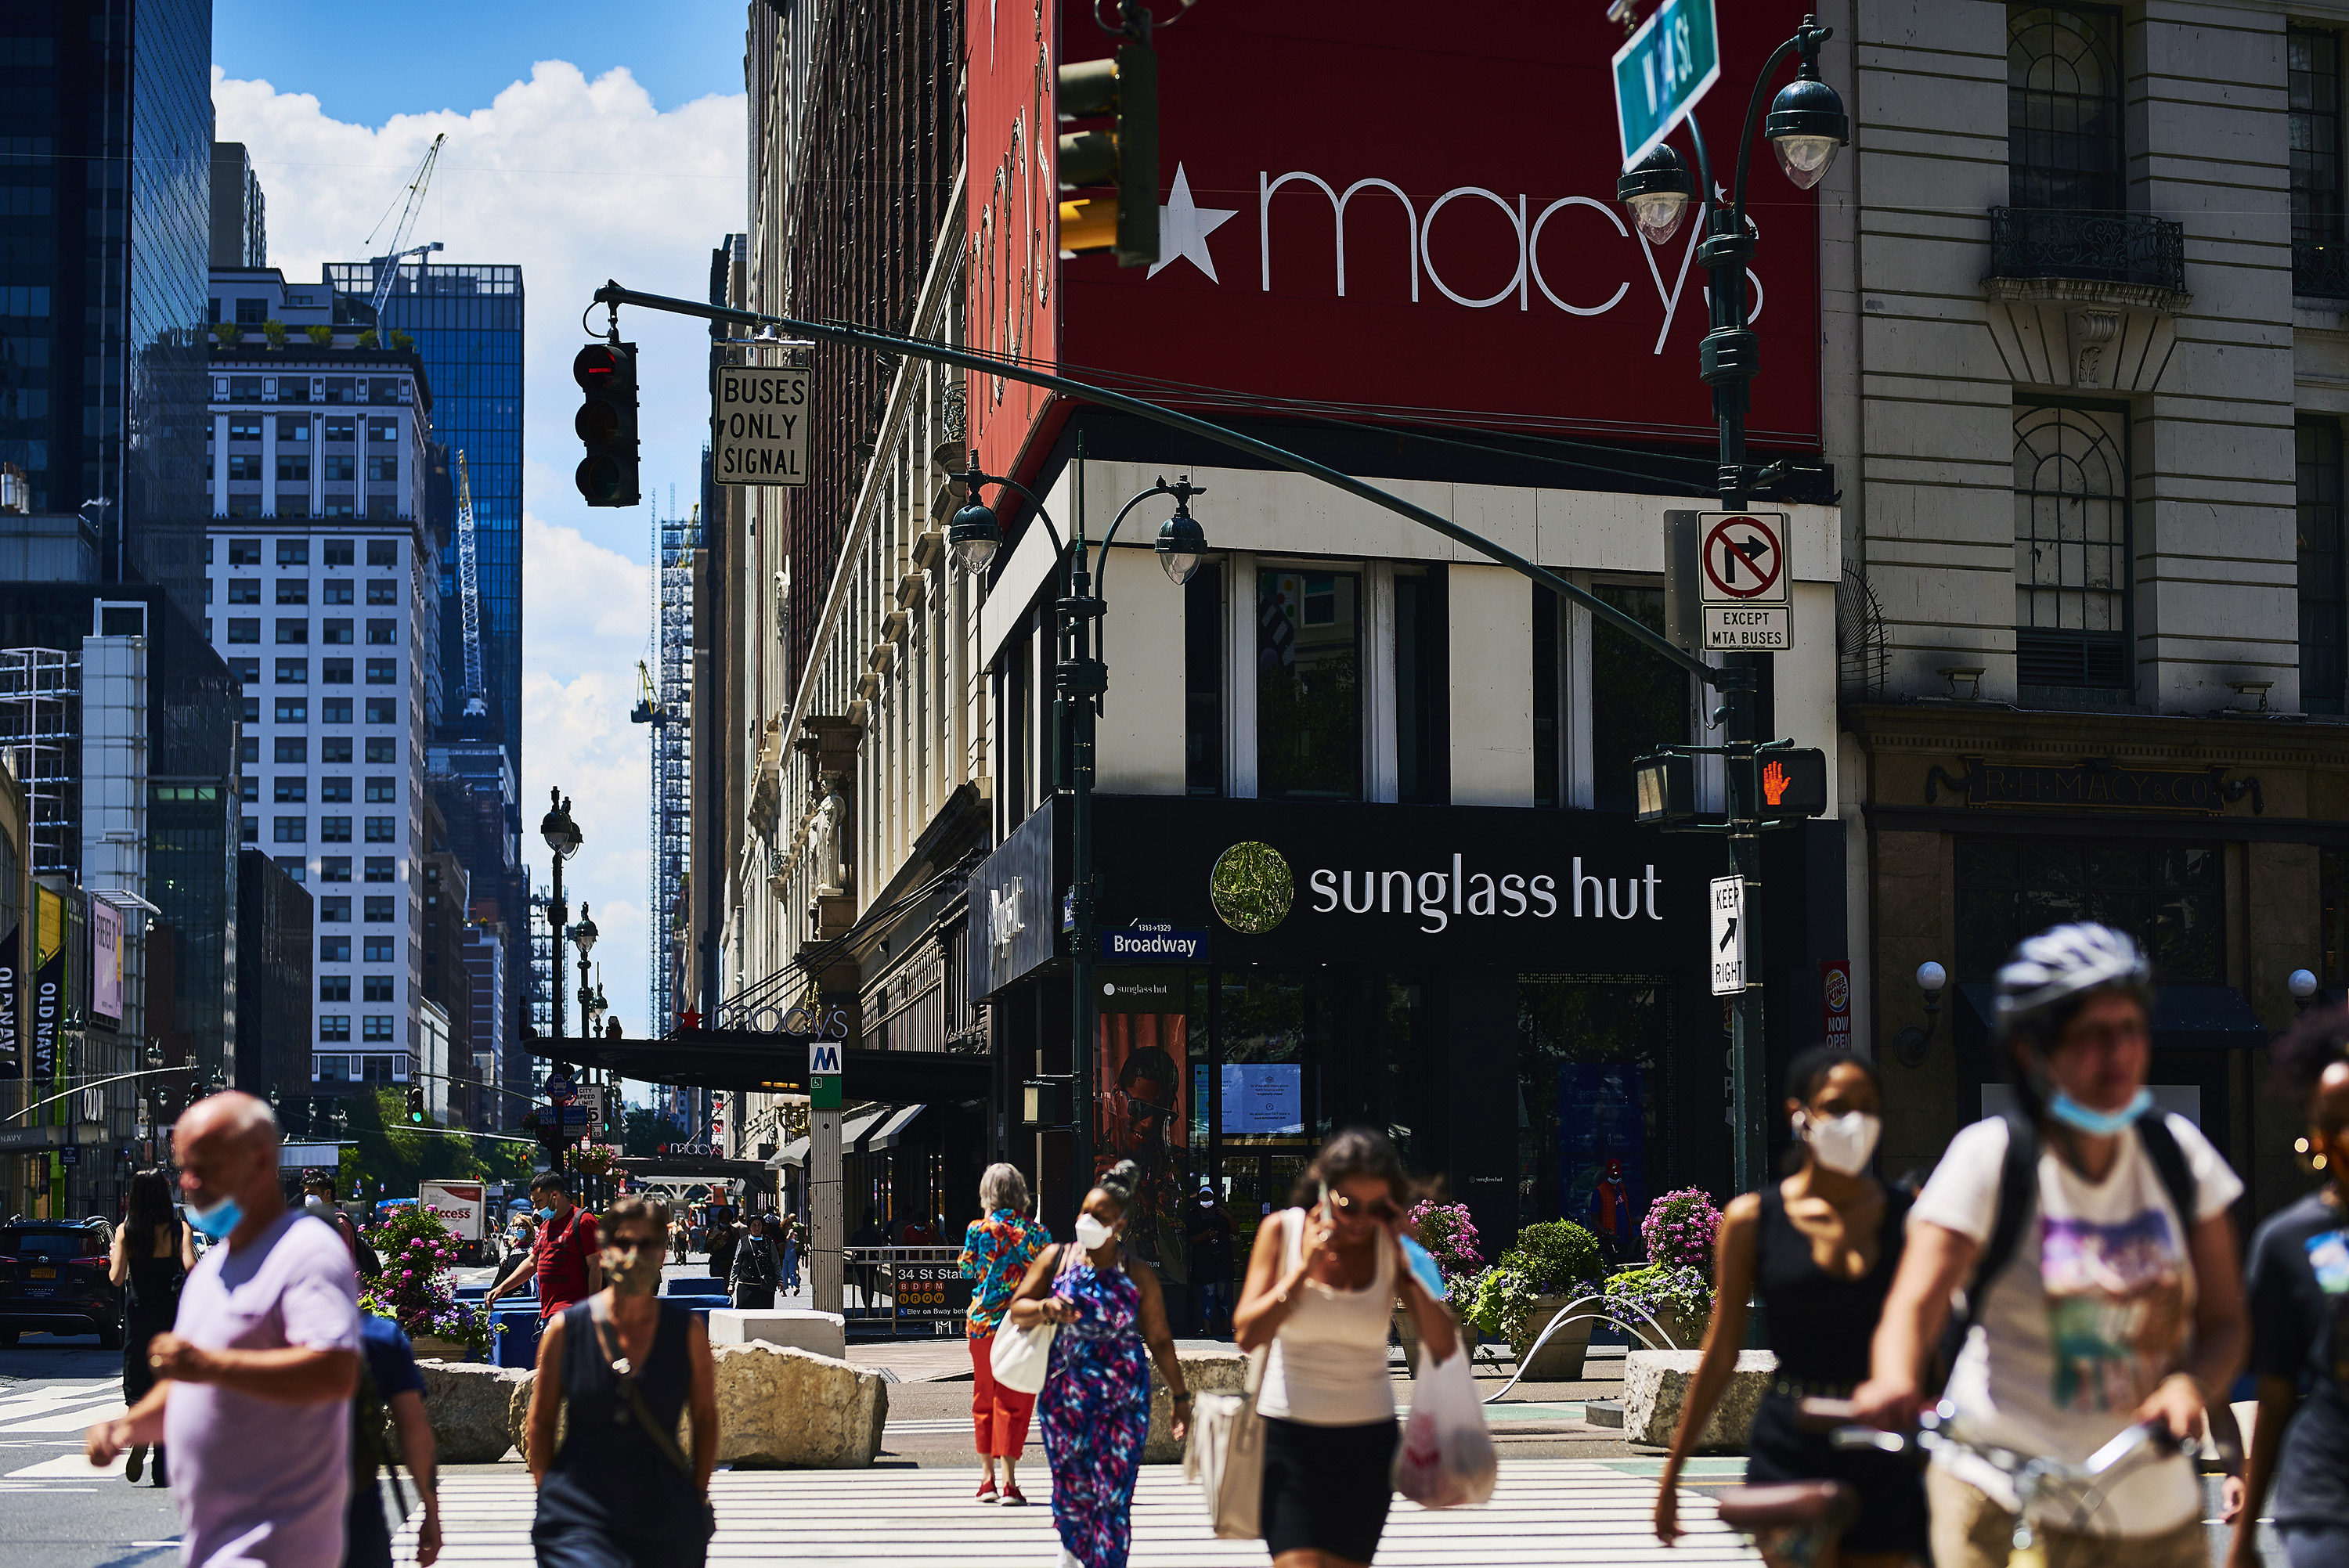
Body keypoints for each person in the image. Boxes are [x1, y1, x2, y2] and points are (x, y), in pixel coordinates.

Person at [1851, 923, 2247, 1568]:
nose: (2119, 1052)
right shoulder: (1989, 1160)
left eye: (2131, 1029)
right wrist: (1894, 1379)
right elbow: (1913, 1307)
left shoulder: (2181, 1156)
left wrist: (2190, 1387)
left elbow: (2228, 1322)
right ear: (2033, 1052)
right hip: (2001, 1491)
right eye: (2092, 1035)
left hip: (2154, 1509)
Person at [1652, 1048, 1925, 1568]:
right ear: (1799, 1114)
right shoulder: (1754, 1219)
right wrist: (1672, 1472)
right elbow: (1721, 1347)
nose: (1855, 1121)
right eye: (1838, 1105)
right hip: (1794, 1437)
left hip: (1885, 1436)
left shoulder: (1907, 1217)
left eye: (1870, 1107)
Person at [84, 1092, 363, 1566]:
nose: (190, 1182)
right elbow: (187, 1389)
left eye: (206, 1165)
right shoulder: (209, 1275)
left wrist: (209, 1364)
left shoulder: (305, 1251)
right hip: (214, 1549)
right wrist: (126, 1427)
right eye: (183, 1167)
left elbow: (335, 1371)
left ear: (260, 1161)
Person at [1233, 1126, 1457, 1568]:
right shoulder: (1281, 1231)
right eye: (1349, 1205)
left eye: (1375, 1208)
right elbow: (1247, 1334)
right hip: (1288, 1438)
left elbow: (1442, 1343)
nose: (1359, 1221)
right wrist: (1302, 1274)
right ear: (1324, 1188)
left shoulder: (1392, 1248)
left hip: (1366, 1445)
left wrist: (1404, 1253)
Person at [1008, 1159, 1188, 1568]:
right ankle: (1073, 1553)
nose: (1088, 1221)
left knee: (1112, 1499)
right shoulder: (1057, 1258)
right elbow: (1018, 1308)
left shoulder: (1137, 1273)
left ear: (1120, 1225)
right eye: (1085, 1212)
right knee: (1072, 1495)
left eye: (1100, 1216)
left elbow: (1159, 1340)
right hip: (1064, 1401)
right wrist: (1046, 1307)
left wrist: (1181, 1396)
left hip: (1123, 1403)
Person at [526, 1194, 719, 1568]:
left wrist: (697, 1492)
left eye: (646, 1244)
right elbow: (542, 1420)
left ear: (663, 1252)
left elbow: (705, 1417)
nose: (634, 1254)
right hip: (580, 1508)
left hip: (663, 1509)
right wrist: (547, 1494)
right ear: (603, 1250)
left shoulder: (686, 1332)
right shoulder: (566, 1331)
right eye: (622, 1243)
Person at [2228, 1008, 2349, 1568]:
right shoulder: (2286, 1241)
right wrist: (2242, 1537)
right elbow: (2275, 1396)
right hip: (2330, 1495)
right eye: (2338, 1125)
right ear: (2316, 1138)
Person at [960, 1162, 1053, 1505]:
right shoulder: (1038, 1234)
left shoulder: (979, 1230)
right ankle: (1010, 1481)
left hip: (984, 1323)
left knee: (984, 1397)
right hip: (1022, 1324)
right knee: (1015, 1400)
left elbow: (969, 1268)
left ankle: (986, 1480)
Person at [108, 1166, 194, 1488]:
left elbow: (117, 1278)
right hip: (169, 1317)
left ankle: (140, 1431)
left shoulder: (126, 1231)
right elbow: (192, 1269)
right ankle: (162, 1466)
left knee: (138, 1383)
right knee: (168, 1385)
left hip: (138, 1314)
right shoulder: (178, 1230)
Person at [346, 1311, 442, 1568]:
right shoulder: (376, 1335)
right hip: (356, 1511)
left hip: (265, 1513)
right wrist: (431, 1511)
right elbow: (413, 1427)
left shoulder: (255, 1333)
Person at [488, 1173, 602, 1320]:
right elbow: (531, 1263)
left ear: (554, 1196)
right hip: (549, 1312)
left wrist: (592, 1309)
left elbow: (596, 1266)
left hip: (573, 1313)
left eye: (538, 1201)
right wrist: (501, 1288)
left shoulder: (583, 1222)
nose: (535, 1207)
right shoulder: (546, 1225)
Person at [1187, 1186, 1234, 1336]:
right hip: (1204, 1261)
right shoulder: (1194, 1215)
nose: (1207, 1200)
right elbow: (1192, 1239)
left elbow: (1236, 1230)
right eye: (1204, 1197)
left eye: (1209, 1197)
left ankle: (1226, 1328)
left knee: (1222, 1292)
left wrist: (1228, 1216)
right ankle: (1206, 1328)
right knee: (1208, 1292)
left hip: (1222, 1260)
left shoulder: (1221, 1213)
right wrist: (1207, 1234)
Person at [730, 1213, 780, 1310]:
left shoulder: (769, 1242)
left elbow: (775, 1262)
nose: (757, 1228)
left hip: (765, 1287)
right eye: (754, 1225)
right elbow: (737, 1263)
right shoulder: (743, 1242)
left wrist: (779, 1280)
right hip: (746, 1286)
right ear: (749, 1227)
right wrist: (732, 1283)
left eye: (759, 1225)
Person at [849, 1210, 883, 1310]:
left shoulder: (857, 1234)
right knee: (870, 1281)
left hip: (860, 1260)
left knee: (863, 1283)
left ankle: (866, 1304)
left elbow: (852, 1246)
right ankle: (869, 1304)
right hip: (871, 1260)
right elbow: (879, 1245)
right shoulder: (874, 1234)